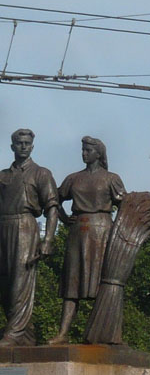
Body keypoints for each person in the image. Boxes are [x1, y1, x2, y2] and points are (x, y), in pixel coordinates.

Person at [48, 137, 125, 345]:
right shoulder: (73, 178)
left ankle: (107, 333)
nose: (84, 154)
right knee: (72, 285)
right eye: (82, 150)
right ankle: (62, 333)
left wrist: (119, 234)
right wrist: (64, 218)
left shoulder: (111, 179)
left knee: (103, 283)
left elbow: (124, 206)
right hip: (77, 232)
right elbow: (54, 200)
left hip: (103, 232)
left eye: (88, 150)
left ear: (98, 153)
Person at [0, 129, 58, 346]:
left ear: (32, 147)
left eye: (27, 143)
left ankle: (13, 333)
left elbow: (52, 207)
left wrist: (48, 240)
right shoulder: (3, 175)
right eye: (19, 143)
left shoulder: (41, 174)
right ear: (12, 147)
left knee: (20, 281)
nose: (23, 146)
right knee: (4, 284)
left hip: (24, 227)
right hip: (2, 227)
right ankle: (25, 335)